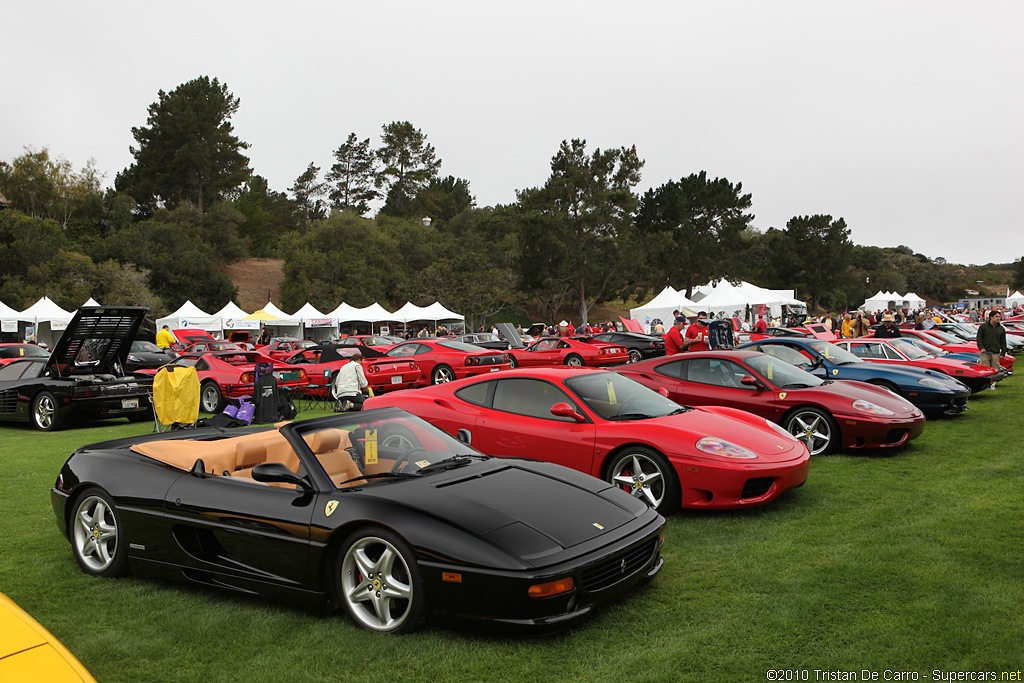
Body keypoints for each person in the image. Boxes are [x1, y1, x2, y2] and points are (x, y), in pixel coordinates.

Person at [976, 311, 1007, 390]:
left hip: (995, 352)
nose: (998, 318)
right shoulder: (983, 327)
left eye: (999, 316)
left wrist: (1003, 352)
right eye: (996, 316)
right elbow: (979, 338)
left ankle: (992, 385)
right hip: (985, 352)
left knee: (995, 369)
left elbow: (1003, 341)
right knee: (984, 369)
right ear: (991, 317)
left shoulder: (1001, 329)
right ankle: (984, 385)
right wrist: (981, 347)